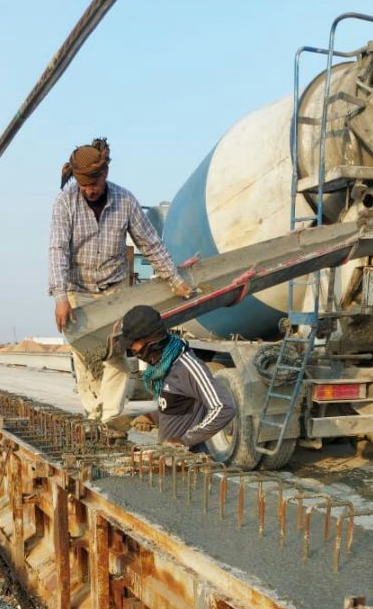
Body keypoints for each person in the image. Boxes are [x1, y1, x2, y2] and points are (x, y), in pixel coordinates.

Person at [48, 138, 191, 424]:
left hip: (115, 291)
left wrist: (175, 280)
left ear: (105, 175)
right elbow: (57, 250)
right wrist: (60, 298)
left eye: (94, 184)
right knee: (86, 358)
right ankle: (94, 412)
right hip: (79, 293)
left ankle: (110, 418)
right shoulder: (65, 203)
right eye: (84, 186)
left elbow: (149, 243)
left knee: (116, 357)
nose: (89, 191)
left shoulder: (125, 201)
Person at [114, 305, 235, 452]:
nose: (132, 349)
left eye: (133, 344)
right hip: (168, 459)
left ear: (150, 340)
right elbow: (179, 407)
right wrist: (152, 417)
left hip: (188, 463)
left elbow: (224, 407)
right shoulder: (163, 366)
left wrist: (185, 440)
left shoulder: (187, 366)